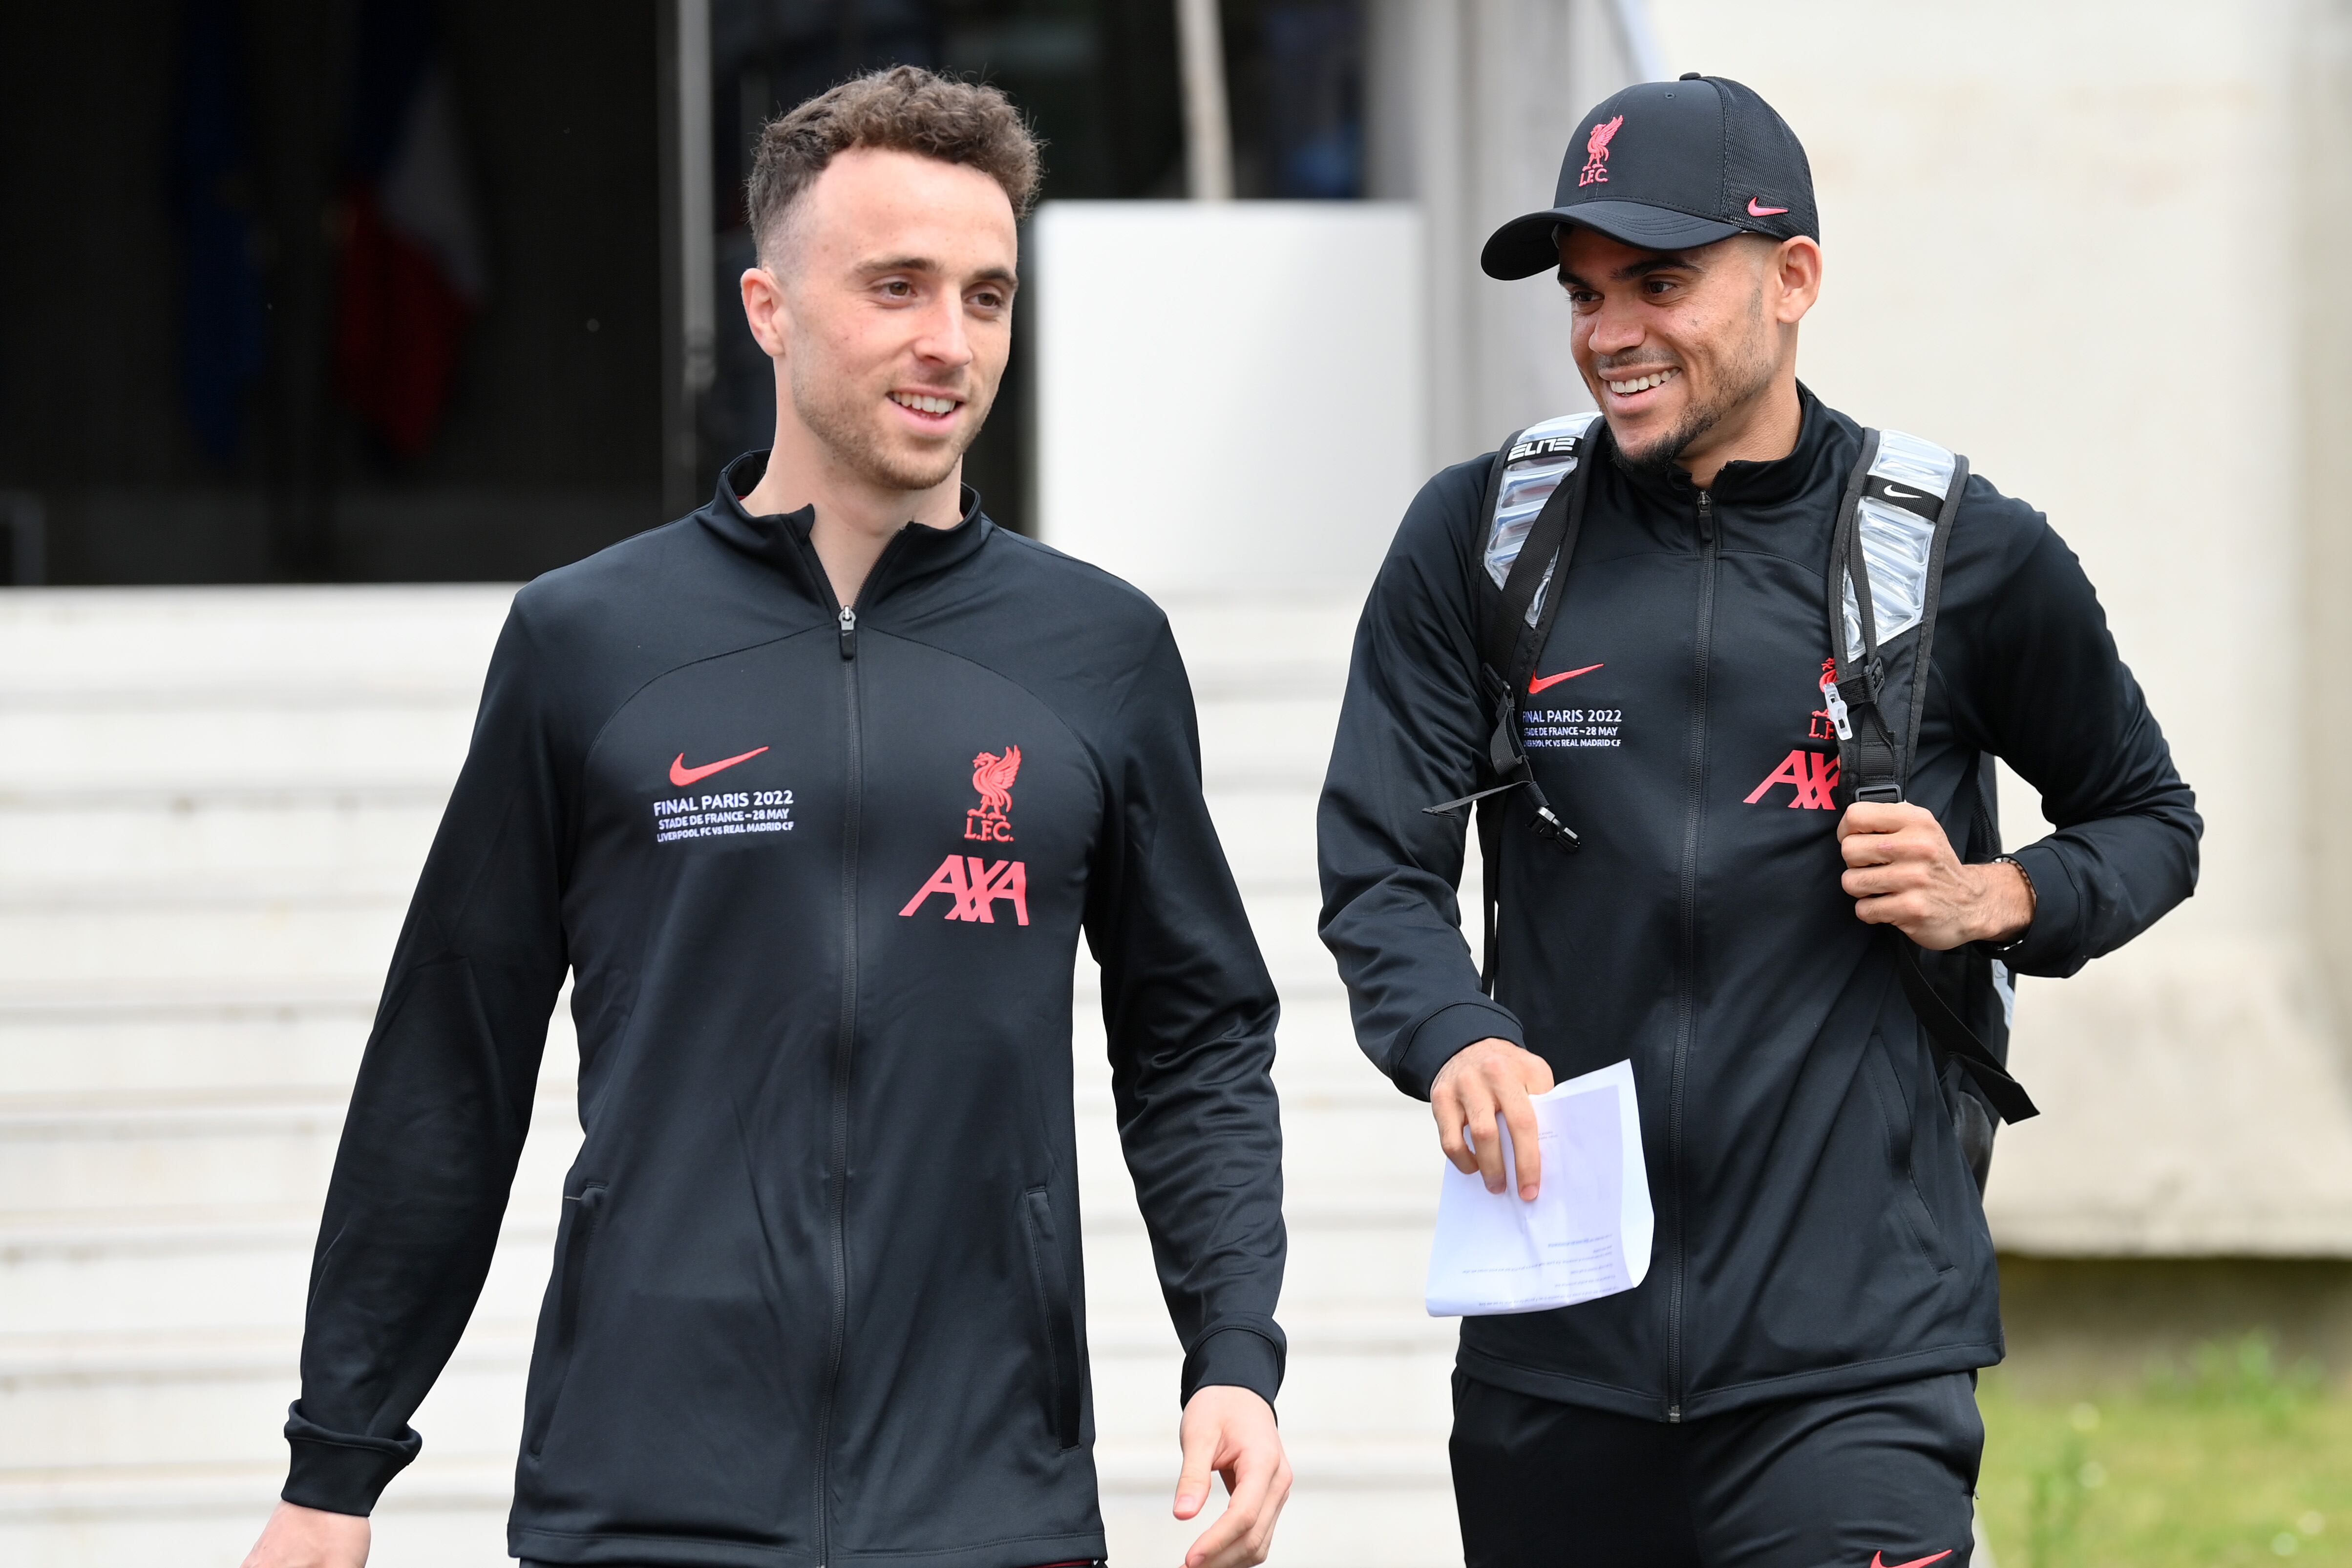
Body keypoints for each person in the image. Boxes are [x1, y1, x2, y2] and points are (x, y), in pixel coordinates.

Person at [245, 66, 1291, 1568]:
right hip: (646, 1498)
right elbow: (448, 1059)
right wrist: (335, 1464)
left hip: (989, 1508)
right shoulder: (588, 643)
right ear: (769, 308)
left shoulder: (1099, 654)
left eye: (987, 295)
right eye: (897, 286)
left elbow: (1195, 1037)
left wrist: (1233, 1349)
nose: (951, 342)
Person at [1317, 73, 2199, 1567]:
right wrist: (1452, 1031)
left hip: (1854, 1366)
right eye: (1586, 293)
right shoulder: (1477, 539)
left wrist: (1998, 895)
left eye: (1659, 282)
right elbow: (1380, 871)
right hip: (1553, 1357)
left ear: (1792, 278)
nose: (1609, 334)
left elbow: (2151, 820)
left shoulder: (1961, 550)